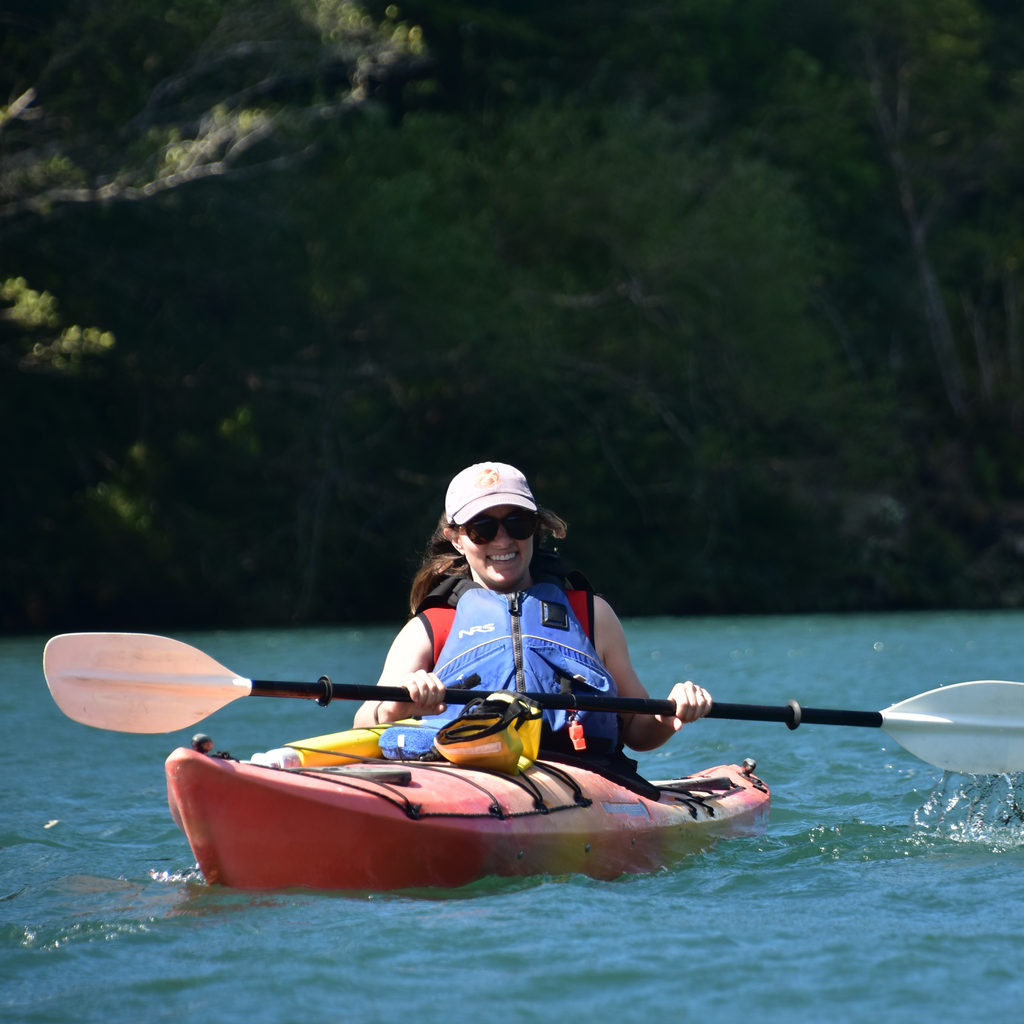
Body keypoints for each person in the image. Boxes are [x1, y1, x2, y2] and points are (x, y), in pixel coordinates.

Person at [353, 461, 712, 755]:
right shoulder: (431, 628)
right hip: (466, 777)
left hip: (579, 778)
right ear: (457, 539)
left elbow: (636, 729)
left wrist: (671, 714)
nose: (503, 540)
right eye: (483, 529)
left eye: (517, 523)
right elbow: (363, 722)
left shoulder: (591, 614)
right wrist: (397, 706)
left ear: (535, 529)